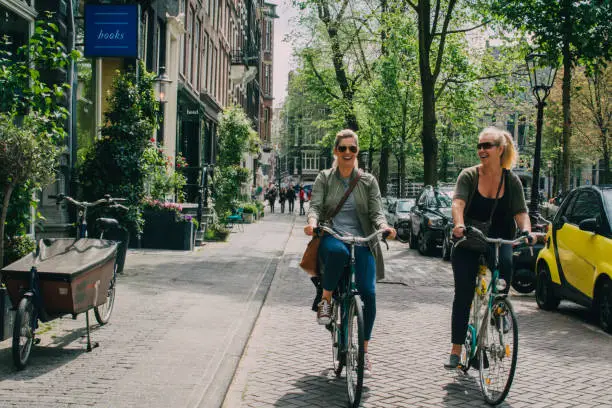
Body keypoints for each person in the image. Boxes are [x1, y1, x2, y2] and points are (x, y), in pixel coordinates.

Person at [304, 129, 396, 377]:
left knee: (369, 293)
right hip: (333, 236)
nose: (347, 153)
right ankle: (325, 299)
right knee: (338, 254)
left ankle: (364, 351)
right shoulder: (325, 177)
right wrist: (312, 222)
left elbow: (377, 211)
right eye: (342, 148)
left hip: (362, 241)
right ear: (335, 151)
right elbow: (315, 205)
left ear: (357, 152)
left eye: (352, 149)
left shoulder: (368, 181)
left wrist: (383, 227)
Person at [445, 126, 537, 369]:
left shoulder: (511, 180)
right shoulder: (469, 175)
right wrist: (459, 224)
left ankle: (498, 310)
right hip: (469, 239)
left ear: (500, 149)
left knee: (506, 266)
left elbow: (521, 212)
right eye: (480, 146)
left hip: (498, 240)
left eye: (487, 146)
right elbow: (458, 202)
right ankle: (456, 349)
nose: (482, 150)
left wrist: (526, 230)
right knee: (463, 294)